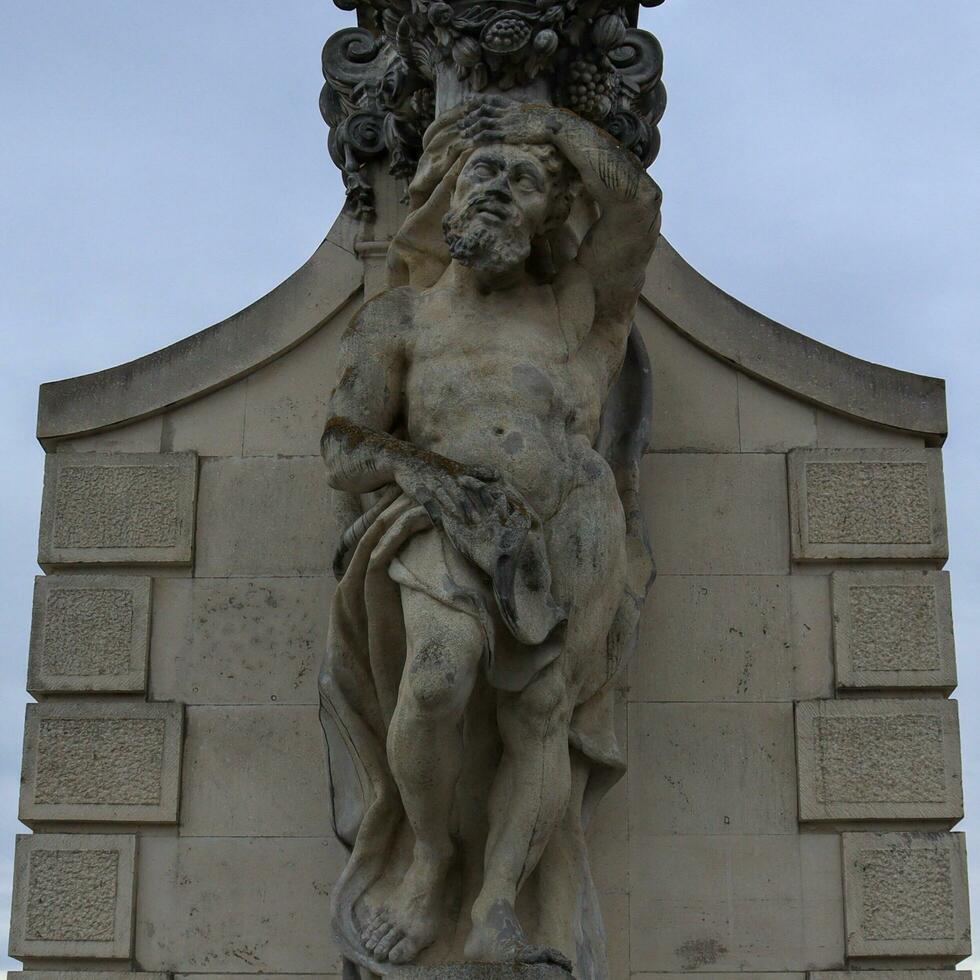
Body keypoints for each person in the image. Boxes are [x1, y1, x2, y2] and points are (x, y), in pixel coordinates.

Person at [319, 96, 661, 977]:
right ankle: (430, 858)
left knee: (540, 716)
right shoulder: (400, 320)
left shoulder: (576, 310)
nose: (503, 192)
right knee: (435, 681)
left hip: (571, 530)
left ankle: (497, 908)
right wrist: (432, 478)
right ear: (448, 194)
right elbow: (342, 447)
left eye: (526, 183)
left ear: (550, 212)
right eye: (487, 173)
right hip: (447, 515)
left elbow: (634, 208)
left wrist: (546, 122)